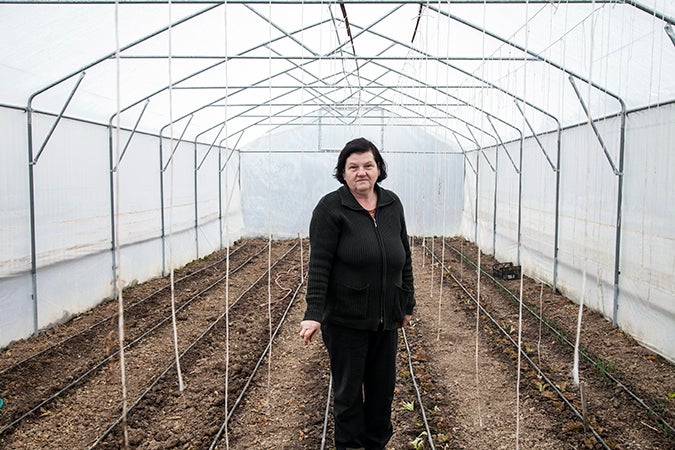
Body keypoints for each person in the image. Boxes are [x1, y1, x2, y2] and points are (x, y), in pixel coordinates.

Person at [299, 137, 415, 450]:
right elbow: (320, 264)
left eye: (368, 165)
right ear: (343, 172)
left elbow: (404, 255)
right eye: (353, 167)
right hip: (345, 322)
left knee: (381, 394)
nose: (361, 172)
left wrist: (407, 304)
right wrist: (313, 314)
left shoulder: (392, 204)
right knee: (348, 397)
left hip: (385, 321)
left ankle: (376, 445)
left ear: (379, 169)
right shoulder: (331, 208)